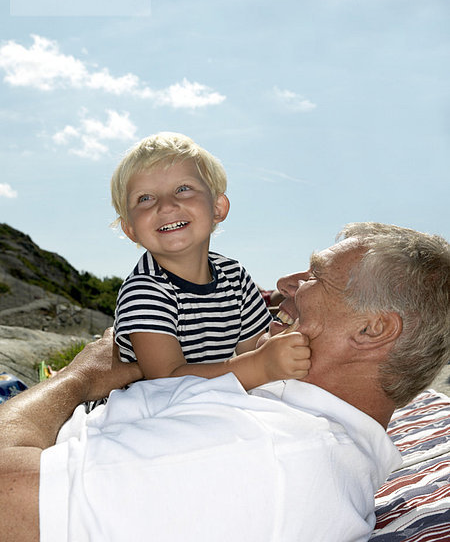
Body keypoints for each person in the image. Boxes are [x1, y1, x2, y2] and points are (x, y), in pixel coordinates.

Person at [0, 222, 448, 542]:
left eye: (315, 276)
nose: (284, 283)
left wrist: (80, 378)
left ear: (372, 330)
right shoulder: (290, 415)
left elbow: (7, 495)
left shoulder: (257, 448)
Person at [109, 132, 308, 391]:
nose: (166, 205)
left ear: (217, 208)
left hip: (204, 404)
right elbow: (167, 381)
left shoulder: (234, 277)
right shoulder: (144, 290)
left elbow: (258, 347)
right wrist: (262, 366)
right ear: (130, 228)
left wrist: (282, 345)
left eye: (183, 189)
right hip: (147, 412)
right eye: (145, 198)